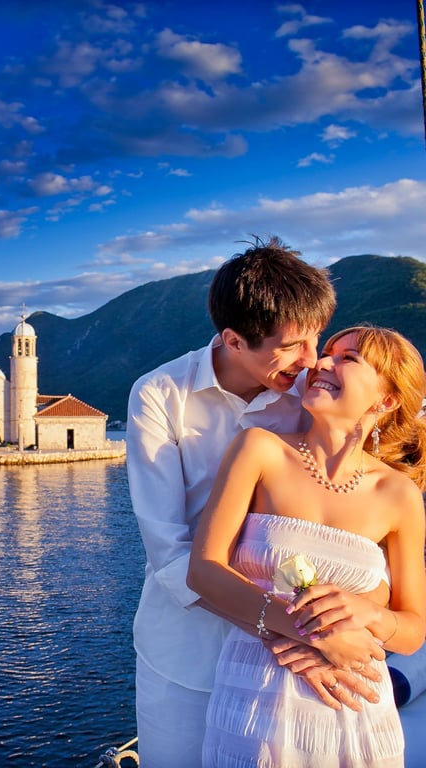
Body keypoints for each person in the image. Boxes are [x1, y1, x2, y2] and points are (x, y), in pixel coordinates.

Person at [126, 237, 384, 767]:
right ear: (233, 340)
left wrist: (342, 618)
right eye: (291, 345)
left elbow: (353, 521)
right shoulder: (159, 395)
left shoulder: (313, 394)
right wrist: (298, 635)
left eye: (316, 338)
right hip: (188, 655)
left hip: (294, 666)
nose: (310, 360)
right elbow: (170, 552)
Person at [187, 325, 426, 766]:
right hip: (255, 698)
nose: (321, 363)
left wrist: (369, 613)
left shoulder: (399, 495)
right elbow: (203, 571)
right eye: (327, 353)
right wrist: (311, 636)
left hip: (356, 701)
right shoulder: (259, 449)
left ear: (387, 400)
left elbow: (413, 631)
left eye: (347, 359)